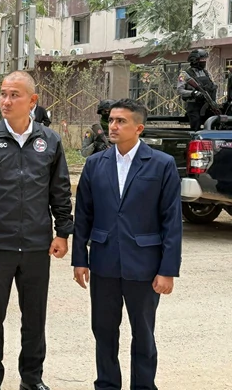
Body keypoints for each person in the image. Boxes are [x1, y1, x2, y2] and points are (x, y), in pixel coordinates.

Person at [0, 71, 74, 390]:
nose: (6, 101)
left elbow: (60, 190)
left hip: (37, 245)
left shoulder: (49, 141)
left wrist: (62, 231)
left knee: (34, 318)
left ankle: (32, 379)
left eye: (14, 95)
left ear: (32, 100)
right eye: (3, 94)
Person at [72, 98, 182, 390]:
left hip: (144, 265)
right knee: (104, 332)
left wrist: (167, 270)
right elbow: (83, 215)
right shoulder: (95, 164)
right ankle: (107, 384)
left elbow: (171, 221)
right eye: (111, 120)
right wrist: (80, 259)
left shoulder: (161, 164)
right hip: (104, 262)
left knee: (143, 334)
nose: (113, 126)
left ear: (139, 128)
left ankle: (143, 386)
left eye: (121, 121)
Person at [177, 48, 218, 131]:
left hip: (207, 105)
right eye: (202, 59)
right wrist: (193, 93)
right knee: (196, 126)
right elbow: (180, 90)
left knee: (214, 124)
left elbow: (211, 86)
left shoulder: (206, 73)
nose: (204, 61)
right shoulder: (184, 74)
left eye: (205, 59)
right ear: (194, 60)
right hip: (193, 105)